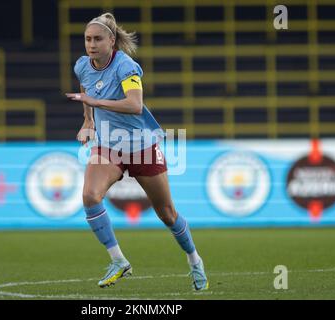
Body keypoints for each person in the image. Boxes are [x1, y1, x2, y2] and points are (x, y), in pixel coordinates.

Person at [65, 13, 208, 291]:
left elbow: (135, 105)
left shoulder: (125, 66)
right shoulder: (83, 65)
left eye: (97, 39)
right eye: (87, 39)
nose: (91, 44)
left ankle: (194, 260)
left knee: (167, 214)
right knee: (89, 196)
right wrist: (88, 119)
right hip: (108, 147)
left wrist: (95, 102)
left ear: (111, 40)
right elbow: (84, 87)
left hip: (142, 147)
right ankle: (118, 261)